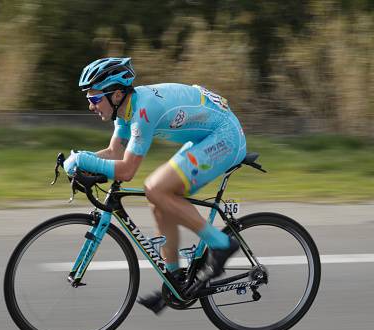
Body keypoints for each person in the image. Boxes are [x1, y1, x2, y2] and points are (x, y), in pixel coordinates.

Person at [64, 57, 247, 314]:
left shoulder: (143, 110)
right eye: (89, 99)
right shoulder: (125, 110)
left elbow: (127, 170)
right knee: (158, 198)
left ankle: (221, 243)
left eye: (95, 99)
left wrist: (84, 159)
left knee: (156, 188)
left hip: (226, 137)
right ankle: (176, 281)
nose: (91, 106)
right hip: (207, 136)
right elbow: (114, 153)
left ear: (116, 94)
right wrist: (84, 163)